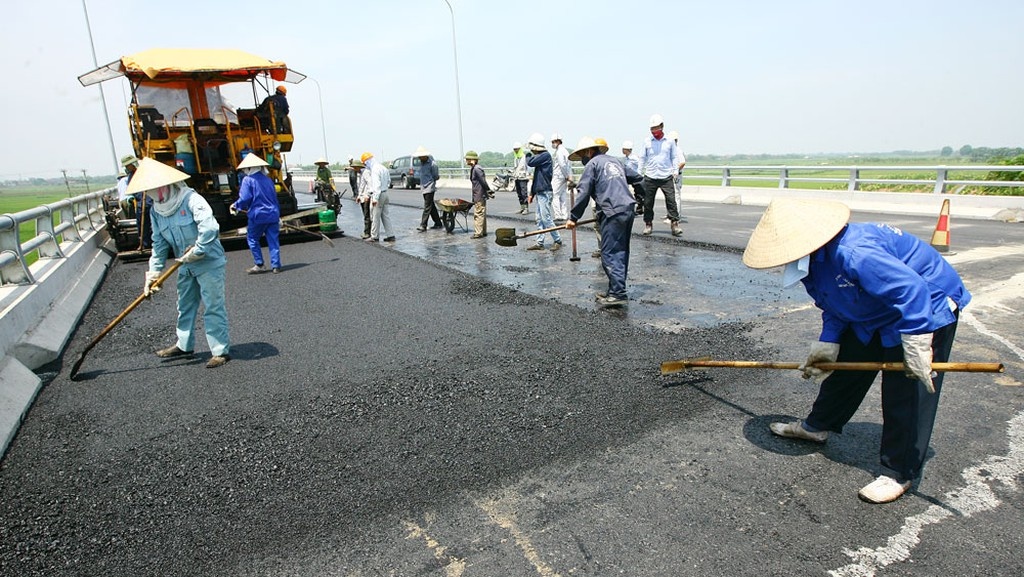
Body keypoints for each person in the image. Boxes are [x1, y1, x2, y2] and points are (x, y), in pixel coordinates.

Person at [742, 197, 971, 504]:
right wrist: (827, 345)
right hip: (875, 309)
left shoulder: (856, 252)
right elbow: (834, 305)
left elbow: (911, 290)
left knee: (906, 388)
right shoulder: (811, 265)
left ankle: (899, 471)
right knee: (846, 367)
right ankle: (816, 427)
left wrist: (917, 341)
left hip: (924, 306)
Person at [128, 158, 230, 369]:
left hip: (208, 261)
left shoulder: (191, 199)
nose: (150, 193)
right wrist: (153, 274)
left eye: (152, 188)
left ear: (164, 185)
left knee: (213, 306)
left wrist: (198, 250)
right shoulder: (156, 210)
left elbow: (210, 228)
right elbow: (158, 243)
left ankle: (220, 351)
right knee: (184, 306)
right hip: (185, 265)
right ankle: (184, 345)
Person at [565, 137, 641, 308]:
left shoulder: (592, 165)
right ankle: (615, 290)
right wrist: (641, 201)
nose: (583, 159)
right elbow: (638, 179)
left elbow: (584, 193)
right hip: (627, 209)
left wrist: (573, 218)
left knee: (609, 253)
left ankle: (617, 294)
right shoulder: (616, 162)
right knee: (621, 251)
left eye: (582, 155)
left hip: (611, 211)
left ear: (589, 152)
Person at [230, 154, 281, 274]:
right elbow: (274, 199)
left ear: (249, 168)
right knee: (273, 240)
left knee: (252, 238)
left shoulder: (248, 180)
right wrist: (278, 216)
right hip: (273, 214)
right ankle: (276, 266)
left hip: (258, 216)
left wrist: (235, 206)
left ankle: (259, 264)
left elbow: (245, 198)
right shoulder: (268, 180)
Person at [638, 114, 684, 237]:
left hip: (666, 176)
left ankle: (674, 224)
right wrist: (639, 173)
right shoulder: (647, 142)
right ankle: (648, 224)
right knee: (647, 202)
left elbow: (674, 157)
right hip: (650, 176)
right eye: (652, 129)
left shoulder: (669, 141)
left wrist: (675, 171)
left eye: (656, 128)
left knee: (671, 201)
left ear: (662, 126)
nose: (654, 131)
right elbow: (642, 158)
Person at [525, 132, 561, 252]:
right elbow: (536, 178)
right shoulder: (540, 159)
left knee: (546, 219)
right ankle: (540, 242)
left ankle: (557, 240)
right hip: (540, 192)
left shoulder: (545, 156)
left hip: (545, 192)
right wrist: (531, 194)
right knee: (539, 219)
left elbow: (530, 162)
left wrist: (527, 154)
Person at [360, 152, 395, 242]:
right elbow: (388, 181)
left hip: (378, 195)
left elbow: (376, 185)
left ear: (368, 161)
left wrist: (375, 198)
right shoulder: (383, 168)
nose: (365, 165)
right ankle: (391, 235)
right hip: (385, 193)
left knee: (375, 216)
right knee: (385, 216)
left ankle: (374, 236)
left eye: (365, 163)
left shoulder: (375, 170)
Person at [413, 146, 443, 231]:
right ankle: (438, 223)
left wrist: (432, 181)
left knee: (427, 206)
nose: (419, 158)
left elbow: (435, 176)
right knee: (431, 206)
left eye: (421, 156)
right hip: (423, 187)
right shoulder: (422, 163)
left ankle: (423, 225)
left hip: (429, 187)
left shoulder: (433, 164)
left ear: (425, 156)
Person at [663, 130, 688, 225]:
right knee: (671, 196)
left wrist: (675, 171)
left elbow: (682, 162)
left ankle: (677, 217)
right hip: (672, 175)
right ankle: (671, 215)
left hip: (676, 176)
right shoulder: (674, 150)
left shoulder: (677, 150)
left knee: (676, 196)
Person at [466, 150, 491, 239]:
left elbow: (483, 182)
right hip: (478, 194)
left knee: (478, 214)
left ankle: (478, 233)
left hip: (479, 194)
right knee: (481, 213)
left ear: (472, 160)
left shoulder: (477, 169)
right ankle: (482, 231)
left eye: (468, 159)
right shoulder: (474, 168)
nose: (466, 161)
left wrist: (488, 190)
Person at [550, 133, 573, 222]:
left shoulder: (559, 152)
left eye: (553, 142)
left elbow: (562, 165)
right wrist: (568, 175)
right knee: (562, 195)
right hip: (563, 176)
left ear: (557, 141)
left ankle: (558, 215)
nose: (552, 144)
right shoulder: (565, 151)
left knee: (554, 194)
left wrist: (566, 175)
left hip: (559, 176)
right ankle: (564, 215)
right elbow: (568, 165)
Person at [620, 141, 646, 216]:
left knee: (638, 194)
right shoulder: (627, 158)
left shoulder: (634, 158)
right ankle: (636, 208)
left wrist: (639, 173)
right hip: (629, 178)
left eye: (623, 149)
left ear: (627, 149)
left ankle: (639, 208)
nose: (622, 150)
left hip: (635, 178)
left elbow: (640, 164)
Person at [350, 158, 372, 239]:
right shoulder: (360, 174)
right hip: (363, 197)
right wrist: (359, 196)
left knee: (367, 215)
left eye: (355, 168)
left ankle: (367, 233)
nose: (354, 169)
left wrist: (368, 195)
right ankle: (368, 231)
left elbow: (370, 184)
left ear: (359, 167)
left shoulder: (366, 173)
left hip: (366, 197)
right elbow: (361, 186)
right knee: (365, 215)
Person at [511, 142, 530, 214]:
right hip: (517, 178)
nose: (516, 151)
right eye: (515, 149)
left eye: (517, 149)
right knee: (519, 193)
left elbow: (528, 167)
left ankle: (526, 208)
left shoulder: (525, 157)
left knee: (524, 193)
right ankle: (522, 207)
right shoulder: (515, 158)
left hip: (523, 178)